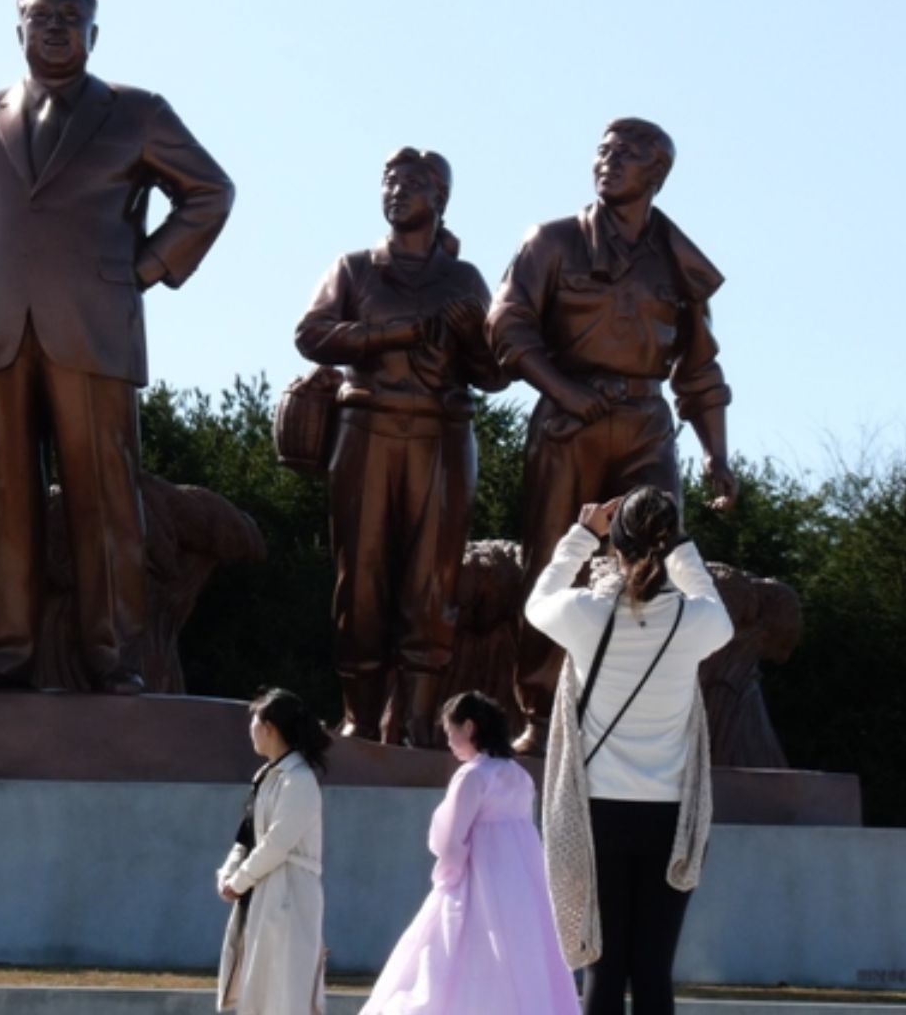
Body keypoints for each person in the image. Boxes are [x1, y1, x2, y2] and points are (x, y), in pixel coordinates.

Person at [0, 0, 234, 695]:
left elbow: (210, 192)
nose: (56, 27)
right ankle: (6, 649)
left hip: (95, 324)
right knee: (6, 497)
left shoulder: (137, 112)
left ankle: (113, 655)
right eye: (41, 17)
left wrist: (145, 267)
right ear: (19, 32)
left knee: (104, 496)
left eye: (73, 18)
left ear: (95, 35)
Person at [487, 118, 735, 754]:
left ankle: (648, 714)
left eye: (627, 154)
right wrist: (564, 390)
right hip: (570, 422)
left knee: (661, 555)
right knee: (552, 557)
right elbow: (508, 326)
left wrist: (716, 454)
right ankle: (541, 714)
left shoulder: (678, 261)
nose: (608, 161)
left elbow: (700, 367)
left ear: (656, 174)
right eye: (603, 151)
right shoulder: (553, 241)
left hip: (647, 424)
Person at [295, 147, 505, 746]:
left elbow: (493, 374)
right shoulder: (356, 267)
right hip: (366, 431)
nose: (396, 192)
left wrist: (471, 337)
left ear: (439, 200)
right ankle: (360, 718)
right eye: (389, 182)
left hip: (440, 436)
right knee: (358, 583)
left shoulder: (464, 280)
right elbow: (311, 333)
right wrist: (396, 333)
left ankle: (416, 722)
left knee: (431, 586)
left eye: (412, 184)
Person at [529, 487, 734, 1015]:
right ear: (668, 547)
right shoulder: (694, 622)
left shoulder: (585, 614)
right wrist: (681, 548)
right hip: (669, 817)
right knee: (652, 971)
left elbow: (537, 603)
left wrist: (580, 536)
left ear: (613, 546)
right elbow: (716, 608)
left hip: (599, 812)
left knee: (604, 966)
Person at [361, 691, 579, 1014]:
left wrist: (447, 878)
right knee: (521, 962)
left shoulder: (473, 776)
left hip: (476, 882)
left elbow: (451, 840)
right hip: (522, 889)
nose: (448, 740)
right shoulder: (519, 776)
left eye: (450, 731)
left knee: (449, 958)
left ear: (469, 727)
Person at [216, 688, 329, 1014]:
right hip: (261, 894)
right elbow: (247, 836)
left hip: (289, 895)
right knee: (256, 987)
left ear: (270, 728)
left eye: (255, 720)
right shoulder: (266, 776)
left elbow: (277, 843)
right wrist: (228, 874)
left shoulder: (300, 780)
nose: (250, 728)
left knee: (285, 988)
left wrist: (239, 882)